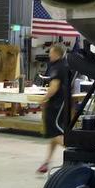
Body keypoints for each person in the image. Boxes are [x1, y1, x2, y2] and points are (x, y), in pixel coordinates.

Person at [36, 43, 69, 174]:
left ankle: (76, 153)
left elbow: (54, 87)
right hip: (62, 103)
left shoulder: (57, 67)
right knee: (55, 134)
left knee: (55, 134)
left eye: (51, 52)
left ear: (57, 54)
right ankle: (46, 162)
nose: (49, 54)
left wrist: (43, 99)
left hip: (56, 105)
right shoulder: (65, 64)